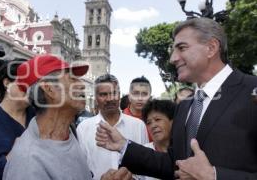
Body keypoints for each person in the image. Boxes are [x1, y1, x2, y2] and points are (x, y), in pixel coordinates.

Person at [96, 18, 257, 180]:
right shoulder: (185, 107)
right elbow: (174, 164)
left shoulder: (252, 92)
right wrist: (124, 146)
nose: (173, 58)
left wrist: (214, 176)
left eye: (182, 48)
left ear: (211, 47)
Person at [3, 55, 93, 180]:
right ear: (49, 89)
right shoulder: (28, 163)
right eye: (72, 79)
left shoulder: (68, 134)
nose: (82, 84)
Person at [77, 74, 149, 180]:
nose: (110, 99)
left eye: (113, 93)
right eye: (103, 94)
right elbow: (81, 171)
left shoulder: (138, 126)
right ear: (96, 98)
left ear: (119, 95)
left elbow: (147, 167)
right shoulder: (83, 128)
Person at [141, 99, 175, 180]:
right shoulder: (143, 152)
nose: (153, 126)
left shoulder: (185, 150)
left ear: (172, 121)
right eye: (149, 123)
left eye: (157, 120)